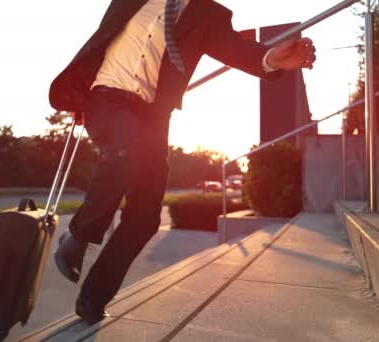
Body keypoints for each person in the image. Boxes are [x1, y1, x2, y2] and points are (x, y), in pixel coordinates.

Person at [51, 0, 316, 325]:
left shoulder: (207, 14)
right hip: (106, 98)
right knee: (130, 151)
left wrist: (271, 58)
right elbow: (103, 38)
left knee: (146, 216)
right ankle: (77, 237)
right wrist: (79, 95)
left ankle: (93, 298)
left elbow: (235, 48)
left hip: (151, 118)